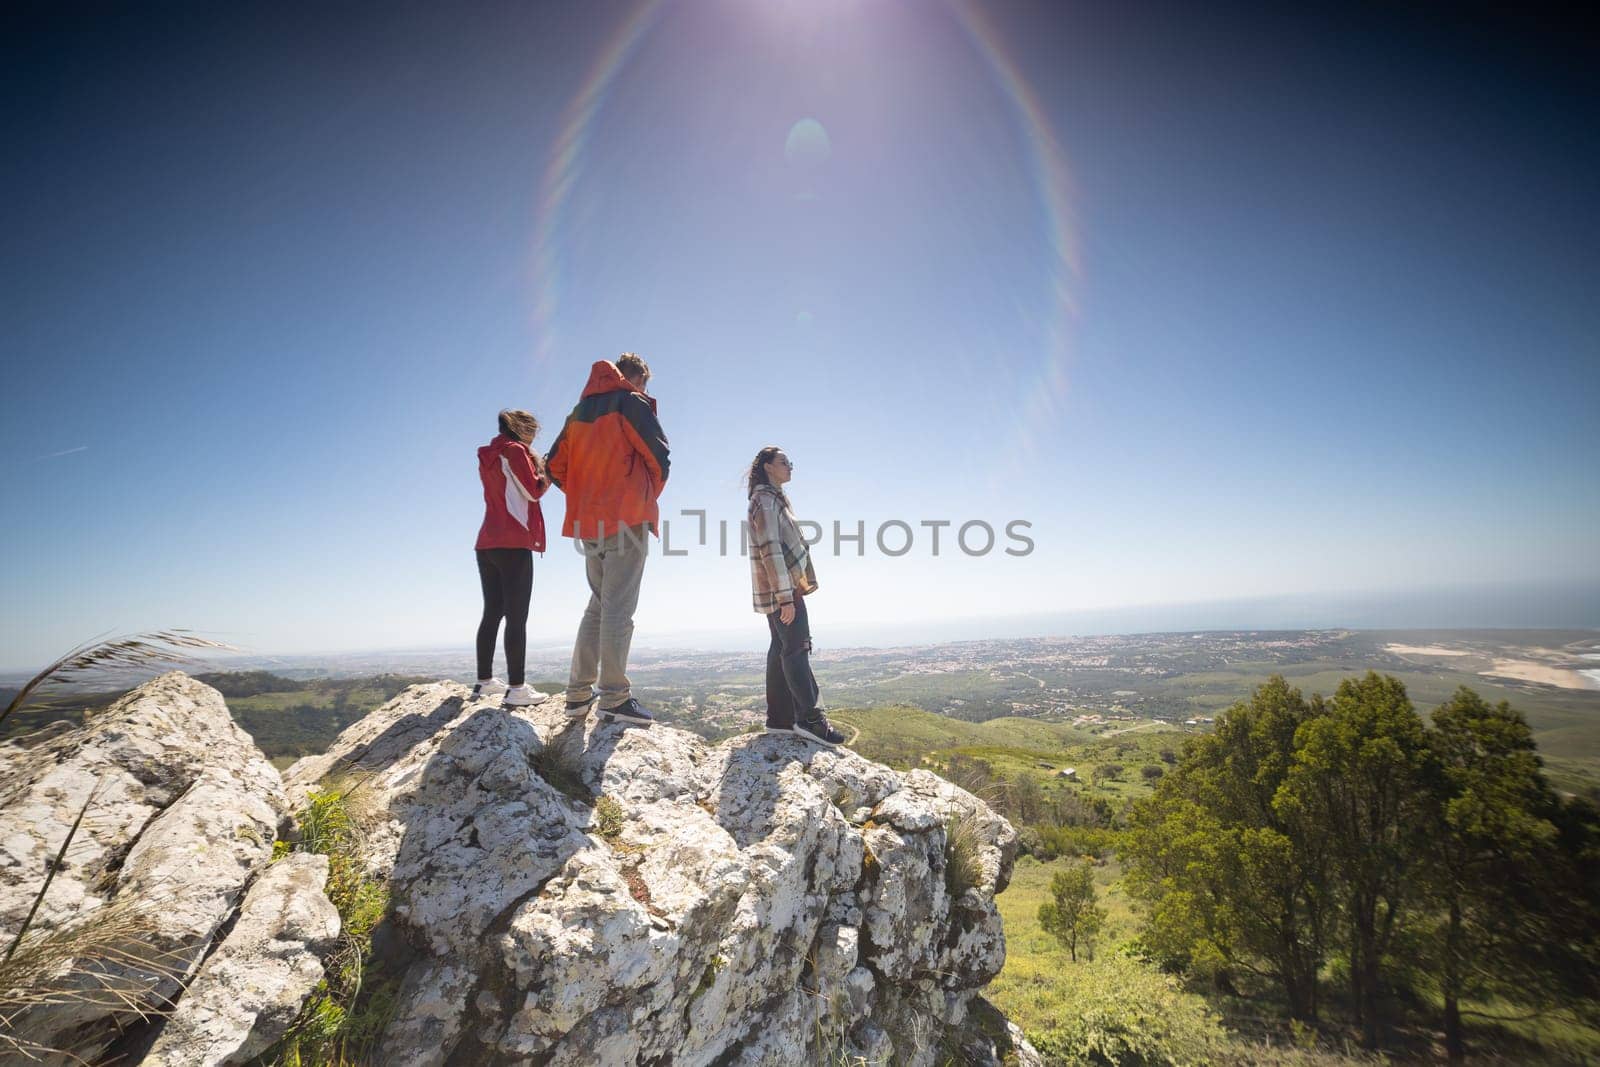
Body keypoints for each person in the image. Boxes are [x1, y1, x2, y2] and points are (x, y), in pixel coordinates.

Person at [545, 353, 668, 725]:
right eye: (645, 385)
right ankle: (614, 698)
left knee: (598, 605)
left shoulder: (579, 412)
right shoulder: (630, 402)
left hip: (588, 522)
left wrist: (586, 494)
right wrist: (640, 495)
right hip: (625, 517)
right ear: (637, 379)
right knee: (618, 609)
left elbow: (553, 467)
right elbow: (659, 458)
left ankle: (577, 695)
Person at [747, 446, 846, 747]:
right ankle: (810, 719)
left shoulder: (773, 499)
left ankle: (779, 720)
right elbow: (771, 550)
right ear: (767, 467)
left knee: (782, 646)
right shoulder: (765, 501)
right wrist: (785, 596)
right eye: (783, 462)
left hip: (783, 588)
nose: (790, 466)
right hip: (784, 589)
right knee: (797, 648)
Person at [473, 409, 548, 706]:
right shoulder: (515, 451)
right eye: (534, 431)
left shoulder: (489, 454)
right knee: (517, 617)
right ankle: (517, 688)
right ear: (523, 429)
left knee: (493, 611)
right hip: (513, 542)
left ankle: (485, 681)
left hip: (487, 542)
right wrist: (547, 472)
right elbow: (532, 491)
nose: (534, 438)